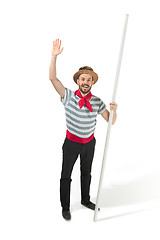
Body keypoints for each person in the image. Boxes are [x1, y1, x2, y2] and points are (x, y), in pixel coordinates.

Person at [49, 39, 117, 221]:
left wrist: (114, 110)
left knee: (86, 173)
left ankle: (86, 200)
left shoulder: (97, 101)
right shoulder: (68, 96)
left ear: (93, 82)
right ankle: (65, 207)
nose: (86, 82)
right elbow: (53, 79)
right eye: (83, 79)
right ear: (78, 81)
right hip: (71, 144)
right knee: (66, 175)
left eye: (89, 79)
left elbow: (111, 121)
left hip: (89, 144)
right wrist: (54, 57)